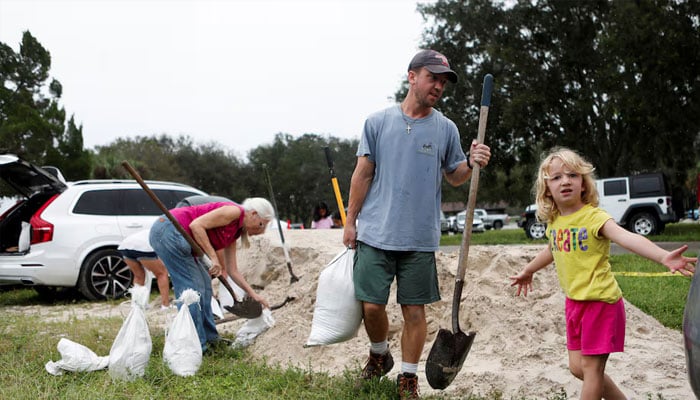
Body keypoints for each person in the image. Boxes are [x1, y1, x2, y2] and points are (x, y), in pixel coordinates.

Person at [342, 49, 492, 399]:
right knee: (372, 306)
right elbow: (362, 175)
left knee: (414, 310)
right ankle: (380, 354)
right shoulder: (377, 122)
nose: (438, 86)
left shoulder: (445, 128)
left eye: (443, 81)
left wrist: (471, 161)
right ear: (412, 77)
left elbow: (456, 176)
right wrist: (350, 222)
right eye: (432, 78)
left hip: (420, 238)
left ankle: (408, 377)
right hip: (376, 232)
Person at [509, 147, 696, 400]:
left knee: (592, 369)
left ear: (583, 184)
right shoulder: (555, 222)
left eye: (572, 175)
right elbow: (552, 248)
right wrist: (528, 270)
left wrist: (663, 255)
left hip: (600, 303)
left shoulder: (594, 217)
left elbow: (627, 237)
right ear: (547, 190)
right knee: (578, 368)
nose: (565, 181)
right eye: (556, 177)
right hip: (574, 303)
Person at [149, 197, 274, 353]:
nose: (261, 231)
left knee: (206, 287)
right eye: (262, 224)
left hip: (178, 235)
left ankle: (210, 339)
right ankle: (195, 345)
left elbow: (233, 270)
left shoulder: (234, 232)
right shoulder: (234, 211)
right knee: (192, 290)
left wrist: (254, 295)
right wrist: (213, 257)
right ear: (254, 214)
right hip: (170, 230)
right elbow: (196, 225)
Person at [118, 229, 172, 309]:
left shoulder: (155, 227)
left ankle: (137, 305)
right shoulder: (170, 232)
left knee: (139, 276)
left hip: (124, 246)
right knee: (161, 273)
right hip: (144, 247)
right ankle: (165, 305)